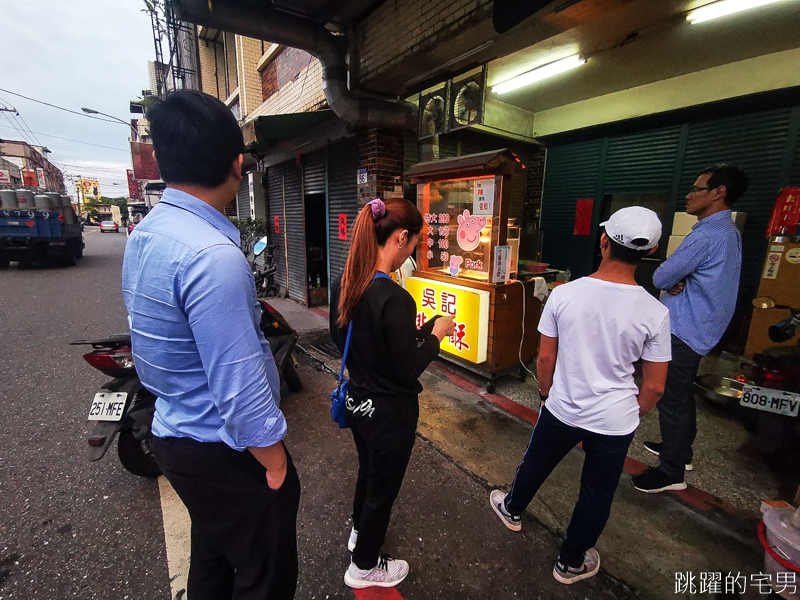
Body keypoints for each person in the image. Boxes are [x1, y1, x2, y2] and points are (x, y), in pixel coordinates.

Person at [122, 90, 301, 600]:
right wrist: (276, 463)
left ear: (164, 159)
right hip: (222, 447)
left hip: (173, 433)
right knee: (265, 578)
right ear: (236, 164)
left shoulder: (146, 233)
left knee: (213, 559)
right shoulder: (213, 255)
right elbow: (238, 384)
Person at [489, 207, 671, 584]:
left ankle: (511, 509)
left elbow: (545, 357)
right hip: (615, 420)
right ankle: (571, 561)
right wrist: (630, 413)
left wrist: (545, 394)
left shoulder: (564, 294)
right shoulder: (656, 312)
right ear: (651, 250)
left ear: (603, 242)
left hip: (562, 408)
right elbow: (654, 386)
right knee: (597, 491)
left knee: (535, 464)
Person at [330, 197, 455, 589]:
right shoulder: (395, 297)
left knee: (369, 474)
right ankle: (364, 565)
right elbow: (406, 367)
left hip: (358, 403)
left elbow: (356, 340)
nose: (413, 251)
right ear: (400, 238)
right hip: (389, 415)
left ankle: (358, 534)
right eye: (414, 244)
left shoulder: (345, 282)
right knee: (382, 489)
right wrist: (435, 336)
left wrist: (419, 334)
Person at [632, 164, 747, 493]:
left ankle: (671, 472)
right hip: (703, 326)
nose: (689, 194)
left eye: (698, 188)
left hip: (686, 328)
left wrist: (673, 281)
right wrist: (677, 280)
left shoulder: (708, 235)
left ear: (718, 192)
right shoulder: (729, 232)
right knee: (681, 396)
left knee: (670, 397)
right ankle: (680, 453)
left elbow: (660, 276)